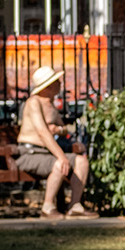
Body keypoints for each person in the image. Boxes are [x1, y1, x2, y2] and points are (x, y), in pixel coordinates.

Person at [15, 65, 91, 218]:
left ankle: (75, 205)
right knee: (59, 164)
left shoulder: (50, 106)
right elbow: (43, 133)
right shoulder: (33, 102)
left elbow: (63, 129)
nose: (60, 83)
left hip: (47, 153)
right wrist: (62, 157)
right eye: (56, 81)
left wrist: (58, 130)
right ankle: (48, 207)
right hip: (30, 153)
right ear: (47, 86)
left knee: (81, 162)